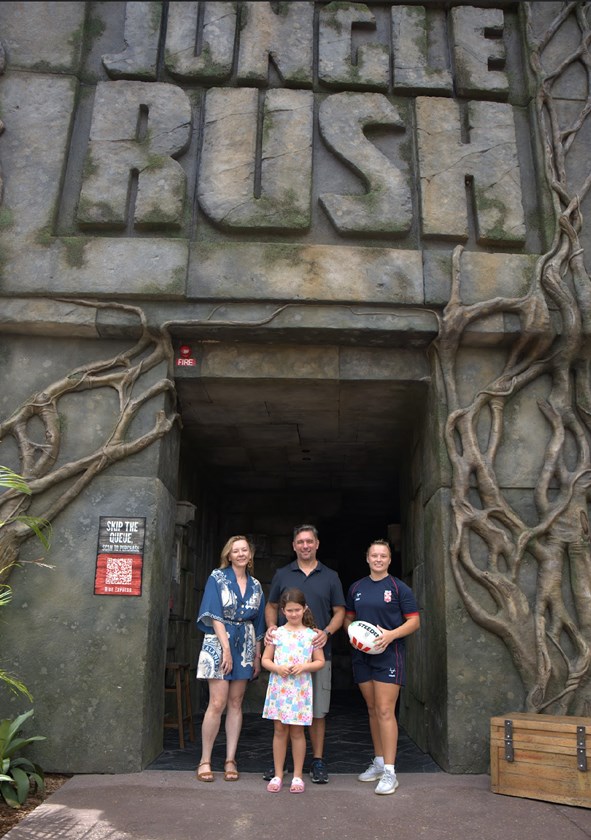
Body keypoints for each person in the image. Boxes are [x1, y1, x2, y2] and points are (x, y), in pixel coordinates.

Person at [264, 524, 345, 784]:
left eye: (309, 541)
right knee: (283, 715)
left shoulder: (330, 576)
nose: (305, 546)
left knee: (317, 712)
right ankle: (282, 765)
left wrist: (327, 632)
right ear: (294, 545)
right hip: (286, 656)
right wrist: (271, 628)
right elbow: (271, 605)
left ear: (317, 544)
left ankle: (317, 761)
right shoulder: (283, 574)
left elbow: (340, 611)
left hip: (318, 653)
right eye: (300, 542)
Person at [344, 539, 420, 795]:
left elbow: (414, 621)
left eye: (383, 556)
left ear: (389, 559)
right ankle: (378, 763)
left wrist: (390, 635)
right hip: (362, 656)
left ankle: (390, 771)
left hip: (389, 655)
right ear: (367, 558)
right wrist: (353, 634)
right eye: (374, 555)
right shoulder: (357, 587)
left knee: (386, 710)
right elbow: (349, 617)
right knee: (373, 709)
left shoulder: (399, 588)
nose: (378, 559)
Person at [195, 535, 266, 783]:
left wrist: (257, 655)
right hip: (219, 641)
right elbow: (214, 614)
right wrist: (225, 649)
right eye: (236, 551)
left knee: (236, 703)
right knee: (217, 702)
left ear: (250, 554)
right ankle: (205, 760)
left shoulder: (256, 585)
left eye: (244, 550)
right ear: (228, 554)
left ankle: (230, 760)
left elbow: (259, 623)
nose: (241, 554)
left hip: (245, 643)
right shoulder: (217, 577)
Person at [261, 588, 325, 793]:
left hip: (300, 689)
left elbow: (320, 661)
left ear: (304, 608)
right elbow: (265, 659)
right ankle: (278, 774)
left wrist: (304, 667)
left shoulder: (311, 635)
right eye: (289, 610)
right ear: (283, 611)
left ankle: (297, 775)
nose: (294, 614)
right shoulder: (277, 633)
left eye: (297, 609)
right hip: (280, 688)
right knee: (280, 730)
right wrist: (277, 668)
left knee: (297, 731)